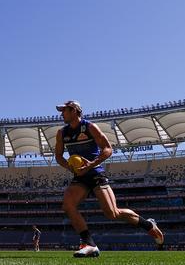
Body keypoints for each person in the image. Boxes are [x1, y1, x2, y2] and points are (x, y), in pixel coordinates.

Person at [55, 100, 164, 258]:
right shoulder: (62, 133)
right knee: (67, 205)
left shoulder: (90, 127)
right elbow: (58, 156)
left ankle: (148, 224)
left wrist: (91, 164)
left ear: (74, 111)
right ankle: (89, 244)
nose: (61, 114)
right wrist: (69, 167)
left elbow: (107, 149)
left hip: (96, 173)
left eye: (64, 110)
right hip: (80, 176)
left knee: (113, 213)